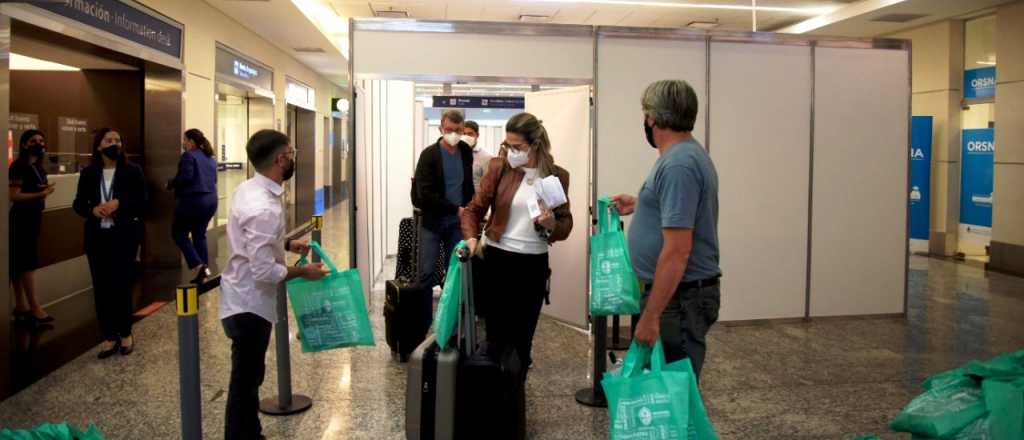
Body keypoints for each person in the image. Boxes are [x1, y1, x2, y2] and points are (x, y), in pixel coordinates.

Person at [219, 129, 325, 440]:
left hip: (241, 297)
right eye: (291, 154)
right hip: (249, 303)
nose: (293, 159)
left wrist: (287, 244)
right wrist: (303, 272)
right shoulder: (263, 207)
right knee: (245, 380)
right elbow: (264, 270)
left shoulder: (249, 189)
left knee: (249, 376)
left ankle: (249, 433)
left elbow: (254, 242)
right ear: (280, 159)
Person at [612, 80, 721, 379]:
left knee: (671, 397)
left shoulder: (678, 165)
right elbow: (681, 213)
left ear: (652, 118)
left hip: (678, 301)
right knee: (666, 395)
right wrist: (641, 204)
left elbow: (677, 251)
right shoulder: (682, 156)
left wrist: (651, 316)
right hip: (676, 299)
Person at [461, 112, 572, 372]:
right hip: (498, 260)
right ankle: (495, 400)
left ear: (534, 144)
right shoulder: (500, 168)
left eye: (517, 147)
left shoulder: (556, 177)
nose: (511, 151)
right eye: (507, 145)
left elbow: (566, 224)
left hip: (533, 265)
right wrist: (470, 239)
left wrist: (551, 225)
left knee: (523, 341)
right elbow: (472, 210)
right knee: (496, 339)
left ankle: (513, 402)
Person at [72, 128, 147, 358]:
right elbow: (78, 204)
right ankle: (108, 335)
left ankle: (125, 333)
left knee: (121, 285)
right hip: (97, 238)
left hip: (123, 236)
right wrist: (93, 209)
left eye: (117, 140)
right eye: (109, 140)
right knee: (101, 287)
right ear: (99, 146)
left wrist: (119, 203)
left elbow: (143, 201)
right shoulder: (89, 173)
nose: (114, 143)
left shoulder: (132, 171)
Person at [412, 109, 474, 290]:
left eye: (458, 130)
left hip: (457, 223)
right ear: (441, 129)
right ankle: (423, 318)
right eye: (449, 129)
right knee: (426, 271)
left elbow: (468, 185)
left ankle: (450, 317)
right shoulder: (429, 155)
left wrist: (469, 208)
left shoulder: (465, 151)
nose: (453, 134)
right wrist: (456, 209)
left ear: (463, 130)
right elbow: (426, 195)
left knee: (455, 271)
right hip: (432, 222)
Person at [9, 129, 56, 325]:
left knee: (19, 264)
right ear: (24, 144)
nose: (38, 143)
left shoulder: (38, 166)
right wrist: (41, 195)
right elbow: (15, 195)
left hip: (33, 219)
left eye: (41, 140)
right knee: (26, 264)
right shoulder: (18, 166)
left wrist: (42, 190)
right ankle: (34, 307)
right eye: (33, 140)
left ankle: (21, 306)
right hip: (21, 221)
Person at [168, 128, 218, 283]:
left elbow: (186, 178)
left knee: (179, 233)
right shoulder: (210, 157)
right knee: (199, 235)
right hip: (211, 201)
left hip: (194, 201)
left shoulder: (188, 156)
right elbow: (214, 180)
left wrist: (171, 183)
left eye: (184, 140)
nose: (183, 143)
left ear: (191, 141)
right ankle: (204, 271)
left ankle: (197, 264)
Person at [462, 120, 493, 193]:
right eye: (464, 134)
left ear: (477, 135)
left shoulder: (486, 157)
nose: (466, 137)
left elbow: (488, 185)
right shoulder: (456, 154)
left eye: (470, 134)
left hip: (477, 200)